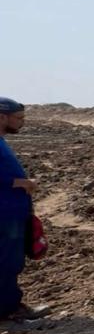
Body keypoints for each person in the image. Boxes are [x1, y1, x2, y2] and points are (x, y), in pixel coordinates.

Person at [0, 97, 42, 320]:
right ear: (2, 117)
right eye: (18, 118)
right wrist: (20, 182)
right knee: (7, 261)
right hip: (5, 214)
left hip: (12, 212)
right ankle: (8, 310)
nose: (22, 122)